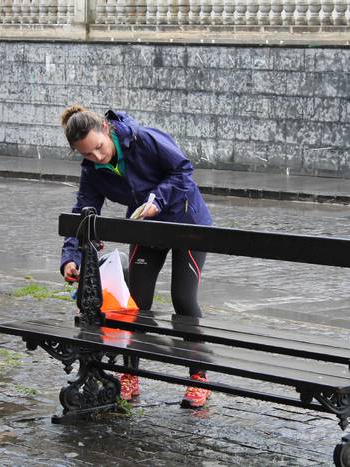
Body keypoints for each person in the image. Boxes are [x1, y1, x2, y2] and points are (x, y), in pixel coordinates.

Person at [59, 105, 213, 409]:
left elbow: (183, 170)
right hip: (145, 227)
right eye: (87, 154)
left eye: (99, 147)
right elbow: (83, 213)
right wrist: (70, 256)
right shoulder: (92, 170)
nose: (97, 157)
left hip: (187, 224)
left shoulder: (144, 139)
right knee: (136, 301)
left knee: (183, 299)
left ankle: (199, 377)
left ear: (106, 129)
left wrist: (158, 199)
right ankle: (130, 374)